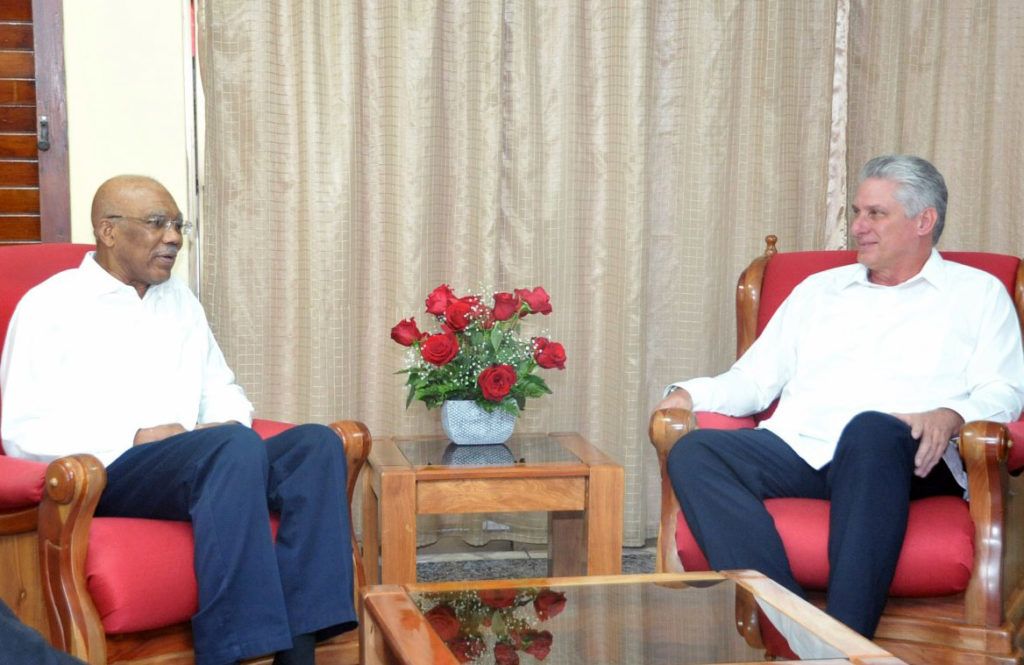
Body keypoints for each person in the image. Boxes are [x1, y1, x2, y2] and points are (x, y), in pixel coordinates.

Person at [654, 154, 1024, 637]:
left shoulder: (978, 294)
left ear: (923, 221)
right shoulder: (819, 291)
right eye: (856, 212)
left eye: (875, 214)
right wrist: (687, 392)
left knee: (870, 427)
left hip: (906, 457)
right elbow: (754, 380)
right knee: (697, 450)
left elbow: (1005, 391)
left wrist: (952, 414)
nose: (858, 227)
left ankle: (846, 635)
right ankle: (804, 634)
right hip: (804, 451)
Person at [0, 176, 357, 665]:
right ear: (108, 231)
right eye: (156, 224)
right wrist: (132, 437)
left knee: (315, 447)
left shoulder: (180, 302)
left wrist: (225, 425)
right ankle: (231, 651)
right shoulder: (50, 307)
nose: (172, 236)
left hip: (202, 464)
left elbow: (224, 390)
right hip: (110, 472)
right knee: (232, 450)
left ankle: (298, 654)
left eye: (176, 224)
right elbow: (23, 430)